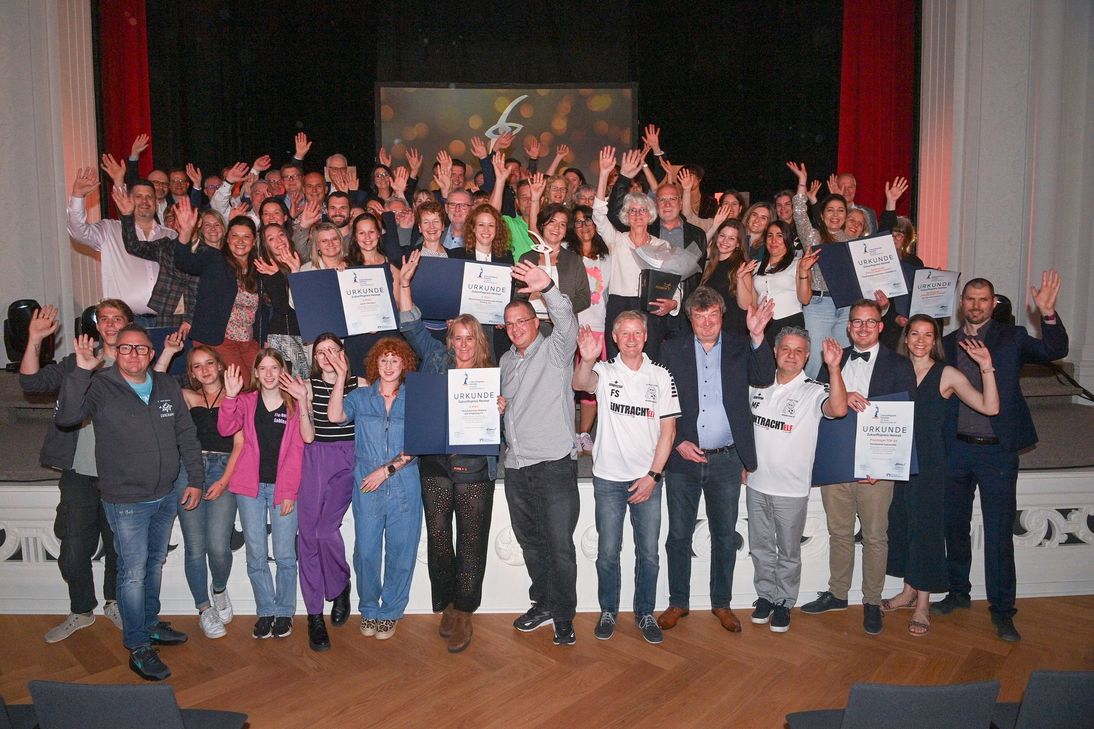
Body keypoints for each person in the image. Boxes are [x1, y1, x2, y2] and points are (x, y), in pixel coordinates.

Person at [56, 324, 203, 681]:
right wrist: (81, 371)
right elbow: (66, 418)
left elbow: (185, 433)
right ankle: (137, 645)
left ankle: (149, 625)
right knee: (133, 573)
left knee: (153, 565)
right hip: (126, 501)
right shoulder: (99, 385)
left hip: (165, 494)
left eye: (140, 348)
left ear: (151, 354)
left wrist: (196, 479)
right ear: (115, 351)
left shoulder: (166, 385)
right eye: (126, 348)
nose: (133, 354)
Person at [933, 272, 1068, 642]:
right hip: (956, 450)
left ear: (993, 304)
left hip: (998, 452)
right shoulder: (947, 343)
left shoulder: (1014, 337)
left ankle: (1003, 612)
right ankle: (957, 593)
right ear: (961, 304)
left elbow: (1054, 350)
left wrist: (1048, 314)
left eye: (983, 299)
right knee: (954, 528)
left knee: (998, 534)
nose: (976, 305)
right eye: (970, 299)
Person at [397, 251, 500, 652]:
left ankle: (466, 611)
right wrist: (405, 284)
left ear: (479, 342)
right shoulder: (436, 358)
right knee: (439, 536)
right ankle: (448, 605)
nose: (463, 344)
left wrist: (500, 408)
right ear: (449, 340)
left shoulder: (492, 374)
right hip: (436, 464)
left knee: (472, 538)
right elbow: (410, 325)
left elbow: (502, 420)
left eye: (469, 338)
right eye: (457, 337)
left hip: (474, 466)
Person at [657, 286, 776, 634]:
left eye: (713, 316)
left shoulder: (740, 345)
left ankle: (721, 603)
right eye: (700, 317)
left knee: (724, 536)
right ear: (690, 318)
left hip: (726, 459)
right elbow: (659, 402)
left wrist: (758, 336)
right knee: (678, 535)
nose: (707, 324)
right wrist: (678, 441)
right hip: (683, 459)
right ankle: (678, 602)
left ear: (722, 316)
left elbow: (764, 377)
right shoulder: (671, 349)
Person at [800, 299, 917, 636]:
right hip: (837, 462)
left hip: (876, 469)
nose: (863, 328)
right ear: (848, 327)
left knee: (875, 536)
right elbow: (817, 401)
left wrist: (884, 465)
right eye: (857, 322)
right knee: (839, 532)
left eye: (870, 322)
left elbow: (904, 417)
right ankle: (838, 594)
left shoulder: (899, 365)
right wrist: (842, 392)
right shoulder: (833, 360)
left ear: (880, 326)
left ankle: (871, 602)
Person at [880, 315, 999, 636]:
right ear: (906, 337)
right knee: (904, 524)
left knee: (927, 531)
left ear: (935, 340)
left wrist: (986, 366)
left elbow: (990, 407)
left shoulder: (946, 374)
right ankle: (908, 592)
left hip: (931, 464)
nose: (920, 340)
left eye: (928, 335)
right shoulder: (896, 369)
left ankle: (923, 604)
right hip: (897, 460)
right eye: (914, 334)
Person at [20, 301, 127, 643]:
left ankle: (116, 603)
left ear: (128, 324)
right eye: (104, 318)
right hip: (79, 473)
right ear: (97, 325)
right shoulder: (74, 361)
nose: (110, 324)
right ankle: (81, 610)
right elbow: (32, 383)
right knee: (75, 548)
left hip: (121, 475)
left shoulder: (137, 364)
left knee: (120, 547)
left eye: (118, 318)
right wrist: (35, 339)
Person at [572, 312, 680, 644]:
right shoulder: (604, 371)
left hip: (647, 480)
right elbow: (580, 384)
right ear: (615, 338)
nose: (631, 339)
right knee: (607, 553)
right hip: (608, 480)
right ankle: (608, 610)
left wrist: (653, 476)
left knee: (649, 554)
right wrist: (587, 358)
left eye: (637, 333)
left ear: (645, 337)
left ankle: (645, 612)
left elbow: (669, 431)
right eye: (625, 333)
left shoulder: (661, 376)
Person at [501, 261, 581, 646]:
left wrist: (547, 286)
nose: (516, 328)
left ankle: (564, 617)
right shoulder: (505, 362)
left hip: (553, 466)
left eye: (522, 321)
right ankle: (545, 602)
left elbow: (567, 323)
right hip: (516, 467)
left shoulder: (554, 351)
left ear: (536, 322)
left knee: (560, 548)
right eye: (509, 323)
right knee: (531, 544)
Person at [747, 328, 847, 633]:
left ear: (807, 356)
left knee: (789, 552)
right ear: (775, 352)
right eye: (786, 349)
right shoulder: (757, 386)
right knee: (761, 548)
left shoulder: (814, 391)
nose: (791, 355)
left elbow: (839, 409)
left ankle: (784, 602)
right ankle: (766, 596)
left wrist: (834, 368)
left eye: (799, 351)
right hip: (756, 484)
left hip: (791, 489)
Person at [326, 338, 421, 642]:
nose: (389, 366)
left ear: (404, 364)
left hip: (404, 482)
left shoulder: (415, 398)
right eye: (383, 360)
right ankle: (368, 608)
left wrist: (387, 470)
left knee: (401, 551)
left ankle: (391, 611)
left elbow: (420, 442)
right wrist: (341, 376)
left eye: (395, 360)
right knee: (366, 551)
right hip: (367, 483)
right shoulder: (361, 397)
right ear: (375, 363)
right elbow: (335, 416)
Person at [279, 334, 365, 652]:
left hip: (348, 458)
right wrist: (302, 401)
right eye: (320, 352)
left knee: (325, 531)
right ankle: (314, 615)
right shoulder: (308, 386)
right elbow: (307, 436)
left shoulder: (361, 384)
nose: (326, 356)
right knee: (307, 537)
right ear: (314, 358)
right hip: (315, 456)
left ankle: (340, 584)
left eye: (332, 350)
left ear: (343, 352)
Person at [153, 342, 243, 639]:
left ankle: (219, 589)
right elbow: (154, 383)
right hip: (189, 471)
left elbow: (240, 444)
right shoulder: (187, 397)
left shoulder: (236, 396)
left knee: (218, 546)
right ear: (191, 373)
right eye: (197, 366)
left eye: (209, 363)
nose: (204, 370)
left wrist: (224, 480)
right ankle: (204, 609)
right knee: (195, 547)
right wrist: (168, 352)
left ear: (220, 365)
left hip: (224, 470)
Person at [218, 350, 308, 641]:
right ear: (255, 373)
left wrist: (290, 491)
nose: (269, 374)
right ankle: (266, 611)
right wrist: (230, 396)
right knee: (256, 555)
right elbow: (225, 428)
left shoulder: (293, 403)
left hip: (283, 489)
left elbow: (299, 449)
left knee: (284, 555)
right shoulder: (245, 401)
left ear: (283, 371)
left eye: (274, 368)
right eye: (263, 368)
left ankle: (284, 612)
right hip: (250, 489)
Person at [175, 214, 263, 387]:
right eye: (235, 235)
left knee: (262, 382)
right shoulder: (215, 259)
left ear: (254, 242)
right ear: (227, 239)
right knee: (243, 385)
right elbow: (184, 262)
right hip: (219, 339)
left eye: (246, 236)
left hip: (248, 341)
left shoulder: (258, 268)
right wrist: (185, 231)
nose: (240, 241)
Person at [787, 162, 852, 378]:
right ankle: (808, 397)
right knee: (815, 359)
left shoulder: (854, 243)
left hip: (847, 307)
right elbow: (799, 214)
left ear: (846, 215)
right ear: (822, 216)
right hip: (819, 305)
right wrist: (802, 182)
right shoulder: (814, 237)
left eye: (840, 211)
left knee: (842, 361)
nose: (835, 215)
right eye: (830, 210)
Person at [570, 204, 612, 453]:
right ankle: (564, 433)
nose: (584, 226)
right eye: (578, 221)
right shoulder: (567, 254)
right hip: (570, 328)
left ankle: (583, 434)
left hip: (598, 328)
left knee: (591, 386)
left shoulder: (607, 258)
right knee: (565, 384)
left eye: (588, 221)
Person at [742, 220, 815, 348]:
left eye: (779, 235)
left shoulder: (799, 263)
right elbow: (753, 303)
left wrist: (804, 270)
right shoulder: (757, 266)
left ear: (787, 239)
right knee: (761, 358)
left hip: (790, 323)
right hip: (762, 325)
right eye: (770, 236)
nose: (774, 240)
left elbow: (805, 299)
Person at [699, 219, 753, 335]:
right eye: (722, 235)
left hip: (732, 330)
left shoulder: (741, 266)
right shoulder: (712, 263)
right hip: (712, 327)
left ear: (738, 243)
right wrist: (714, 226)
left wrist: (739, 278)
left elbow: (745, 305)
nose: (725, 241)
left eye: (731, 238)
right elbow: (697, 251)